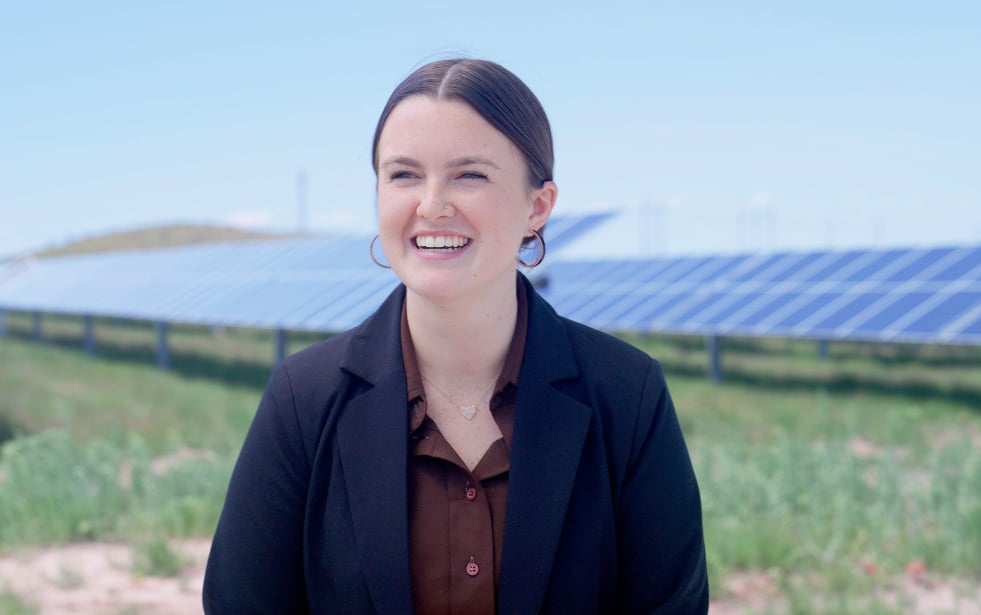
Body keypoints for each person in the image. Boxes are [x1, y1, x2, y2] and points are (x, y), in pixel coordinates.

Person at [203, 58, 708, 614]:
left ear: (537, 207)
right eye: (403, 174)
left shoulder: (627, 395)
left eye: (470, 174)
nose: (432, 205)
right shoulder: (303, 399)